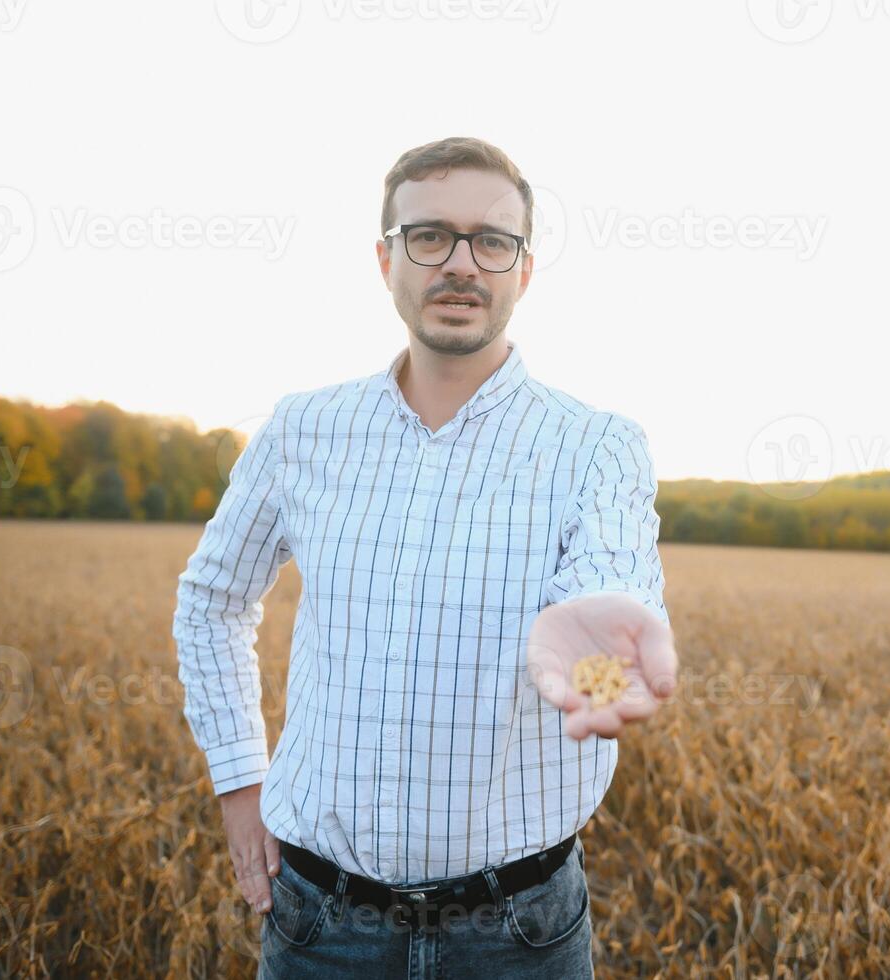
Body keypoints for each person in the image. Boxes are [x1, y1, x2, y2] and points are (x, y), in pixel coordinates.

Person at [172, 135, 679, 978]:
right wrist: (237, 783)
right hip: (319, 925)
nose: (461, 264)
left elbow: (611, 583)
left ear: (523, 269)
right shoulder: (303, 430)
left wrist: (601, 647)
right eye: (430, 236)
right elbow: (212, 600)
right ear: (385, 259)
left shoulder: (594, 446)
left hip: (520, 934)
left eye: (492, 242)